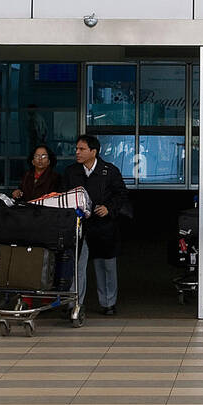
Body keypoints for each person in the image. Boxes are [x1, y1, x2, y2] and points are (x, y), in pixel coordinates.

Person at [62, 135, 128, 316]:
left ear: (94, 151)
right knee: (77, 266)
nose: (77, 152)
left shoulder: (109, 171)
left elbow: (121, 195)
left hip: (104, 226)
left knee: (106, 265)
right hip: (79, 225)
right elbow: (64, 196)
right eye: (76, 149)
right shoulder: (71, 172)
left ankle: (108, 303)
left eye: (81, 149)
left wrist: (109, 208)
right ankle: (74, 304)